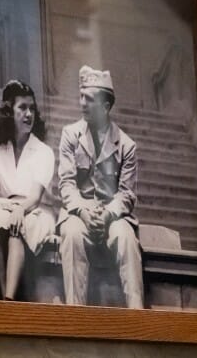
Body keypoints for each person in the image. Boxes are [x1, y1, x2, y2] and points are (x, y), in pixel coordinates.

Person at [57, 65, 143, 308]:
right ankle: (75, 314)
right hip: (79, 211)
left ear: (106, 107)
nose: (82, 103)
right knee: (72, 235)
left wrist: (106, 215)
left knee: (126, 238)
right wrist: (83, 212)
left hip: (112, 214)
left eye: (89, 99)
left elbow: (126, 194)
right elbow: (66, 184)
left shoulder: (126, 145)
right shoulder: (70, 135)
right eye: (81, 96)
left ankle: (137, 316)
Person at [0, 80, 56, 301]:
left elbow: (35, 197)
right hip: (8, 207)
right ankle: (0, 294)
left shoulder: (43, 151)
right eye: (22, 108)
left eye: (32, 108)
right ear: (9, 112)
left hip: (37, 211)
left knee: (17, 224)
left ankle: (9, 300)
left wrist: (19, 210)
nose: (29, 114)